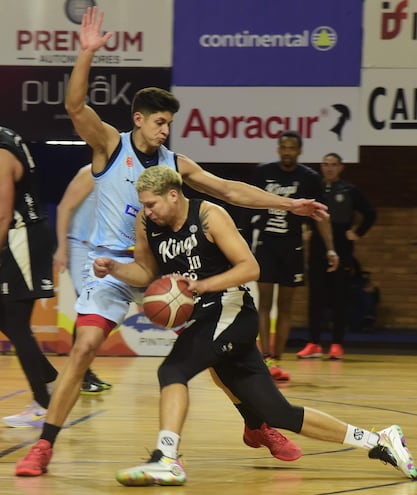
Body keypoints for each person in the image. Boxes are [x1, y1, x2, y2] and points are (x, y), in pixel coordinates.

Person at [14, 7, 329, 476]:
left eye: (169, 123)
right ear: (138, 119)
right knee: (83, 348)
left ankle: (255, 424)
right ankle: (45, 446)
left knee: (208, 355)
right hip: (116, 270)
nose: (165, 130)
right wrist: (85, 54)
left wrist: (288, 205)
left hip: (163, 274)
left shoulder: (173, 164)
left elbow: (228, 190)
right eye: (159, 122)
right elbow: (76, 107)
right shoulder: (108, 146)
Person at [101, 166, 413, 485]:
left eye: (151, 204)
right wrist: (114, 268)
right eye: (143, 204)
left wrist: (202, 286)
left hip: (231, 310)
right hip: (206, 318)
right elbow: (145, 272)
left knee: (172, 370)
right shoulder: (146, 223)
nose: (146, 210)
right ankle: (380, 441)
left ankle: (166, 458)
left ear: (172, 194)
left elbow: (250, 268)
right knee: (278, 413)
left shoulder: (209, 215)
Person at [247, 131, 339, 380]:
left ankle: (277, 358)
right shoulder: (263, 172)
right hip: (266, 243)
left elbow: (321, 216)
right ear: (278, 149)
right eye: (284, 147)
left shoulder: (309, 178)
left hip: (292, 246)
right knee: (264, 304)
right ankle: (266, 358)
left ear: (299, 151)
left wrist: (330, 248)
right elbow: (247, 202)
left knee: (285, 306)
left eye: (292, 148)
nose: (287, 152)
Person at [0, 126, 58, 428]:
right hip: (22, 236)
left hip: (21, 238)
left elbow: (2, 214)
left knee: (15, 321)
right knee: (6, 319)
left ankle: (45, 403)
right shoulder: (8, 135)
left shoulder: (1, 151)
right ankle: (47, 379)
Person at [297, 153, 377, 359]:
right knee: (315, 298)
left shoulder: (349, 190)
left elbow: (370, 213)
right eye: (325, 164)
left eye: (333, 165)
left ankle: (336, 344)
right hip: (317, 248)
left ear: (341, 167)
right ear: (321, 167)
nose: (329, 168)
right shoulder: (315, 189)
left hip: (342, 248)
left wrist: (357, 233)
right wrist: (305, 228)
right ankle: (313, 343)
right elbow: (300, 210)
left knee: (340, 297)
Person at [54, 163, 112, 393]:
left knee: (90, 309)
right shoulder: (89, 172)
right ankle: (82, 375)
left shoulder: (119, 175)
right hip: (79, 246)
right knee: (89, 307)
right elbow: (64, 208)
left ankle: (82, 372)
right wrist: (61, 248)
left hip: (99, 249)